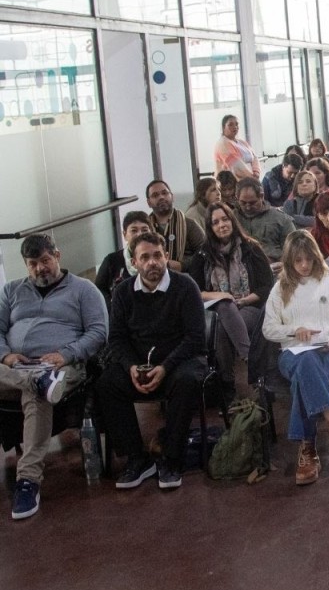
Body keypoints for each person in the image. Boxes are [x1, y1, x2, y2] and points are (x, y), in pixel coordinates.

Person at [0, 234, 107, 519]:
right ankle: (34, 380)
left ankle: (28, 482)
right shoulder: (11, 291)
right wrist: (6, 357)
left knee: (38, 394)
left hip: (62, 367)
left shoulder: (84, 290)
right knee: (37, 387)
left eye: (45, 261)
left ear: (57, 256)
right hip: (17, 368)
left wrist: (67, 354)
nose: (40, 269)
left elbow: (98, 332)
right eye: (32, 264)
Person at [96, 232, 206, 490]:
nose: (152, 262)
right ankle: (137, 458)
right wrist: (131, 367)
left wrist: (165, 367)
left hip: (179, 362)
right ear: (134, 263)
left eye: (157, 255)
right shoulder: (123, 292)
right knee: (106, 384)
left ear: (166, 257)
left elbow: (195, 338)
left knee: (188, 381)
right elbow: (117, 339)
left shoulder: (185, 286)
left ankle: (172, 458)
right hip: (141, 366)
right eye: (144, 257)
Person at [261, 231, 329, 485]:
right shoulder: (280, 288)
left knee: (302, 378)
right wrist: (293, 331)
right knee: (305, 363)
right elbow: (268, 329)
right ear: (289, 262)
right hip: (292, 355)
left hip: (328, 352)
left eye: (308, 259)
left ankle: (307, 448)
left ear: (316, 257)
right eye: (298, 261)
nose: (304, 265)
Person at [188, 202, 273, 397]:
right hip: (216, 310)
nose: (221, 225)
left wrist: (242, 301)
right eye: (215, 222)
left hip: (250, 306)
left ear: (232, 221)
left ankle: (227, 383)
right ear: (210, 228)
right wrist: (222, 296)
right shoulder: (203, 254)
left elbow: (266, 286)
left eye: (225, 219)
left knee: (223, 327)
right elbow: (195, 290)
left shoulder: (251, 248)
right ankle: (252, 362)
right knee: (224, 310)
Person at [146, 180, 205, 273]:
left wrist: (182, 265)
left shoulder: (189, 224)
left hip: (186, 279)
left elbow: (205, 253)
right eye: (155, 195)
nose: (161, 197)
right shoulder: (145, 229)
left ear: (172, 197)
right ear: (148, 202)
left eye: (164, 193)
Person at [235, 177, 297, 265]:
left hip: (274, 266)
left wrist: (284, 265)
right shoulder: (230, 219)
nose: (248, 207)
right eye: (243, 203)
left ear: (261, 196)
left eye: (252, 203)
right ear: (237, 198)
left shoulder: (281, 219)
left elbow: (294, 249)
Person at [96, 211, 153, 307]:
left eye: (144, 230)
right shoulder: (112, 260)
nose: (140, 234)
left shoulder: (157, 259)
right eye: (134, 230)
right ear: (124, 234)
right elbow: (99, 290)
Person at [213, 114, 261, 179]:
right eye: (230, 125)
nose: (235, 127)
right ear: (223, 128)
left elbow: (254, 157)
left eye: (237, 124)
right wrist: (251, 177)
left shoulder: (242, 142)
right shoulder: (222, 143)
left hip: (250, 179)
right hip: (233, 182)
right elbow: (236, 165)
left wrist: (256, 172)